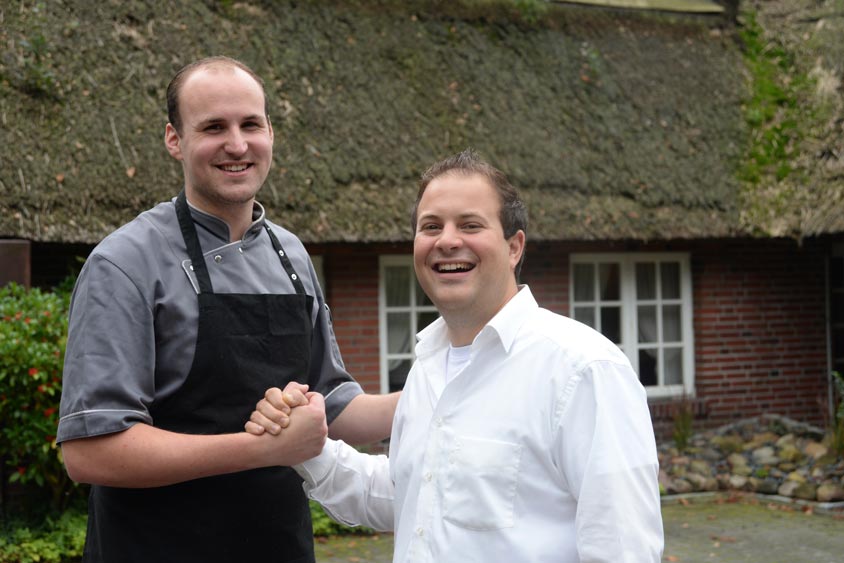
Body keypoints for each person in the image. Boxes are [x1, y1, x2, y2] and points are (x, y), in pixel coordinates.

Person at [57, 56, 398, 563]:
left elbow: (331, 402)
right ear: (174, 139)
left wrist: (440, 394)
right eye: (214, 127)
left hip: (278, 547)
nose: (237, 145)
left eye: (250, 125)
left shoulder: (291, 255)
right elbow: (90, 451)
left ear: (270, 133)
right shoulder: (125, 262)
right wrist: (263, 449)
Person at [248, 149, 665, 562]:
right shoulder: (429, 365)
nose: (447, 241)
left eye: (470, 225)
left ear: (514, 247)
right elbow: (410, 496)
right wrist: (308, 447)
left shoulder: (584, 369)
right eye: (431, 226)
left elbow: (622, 550)